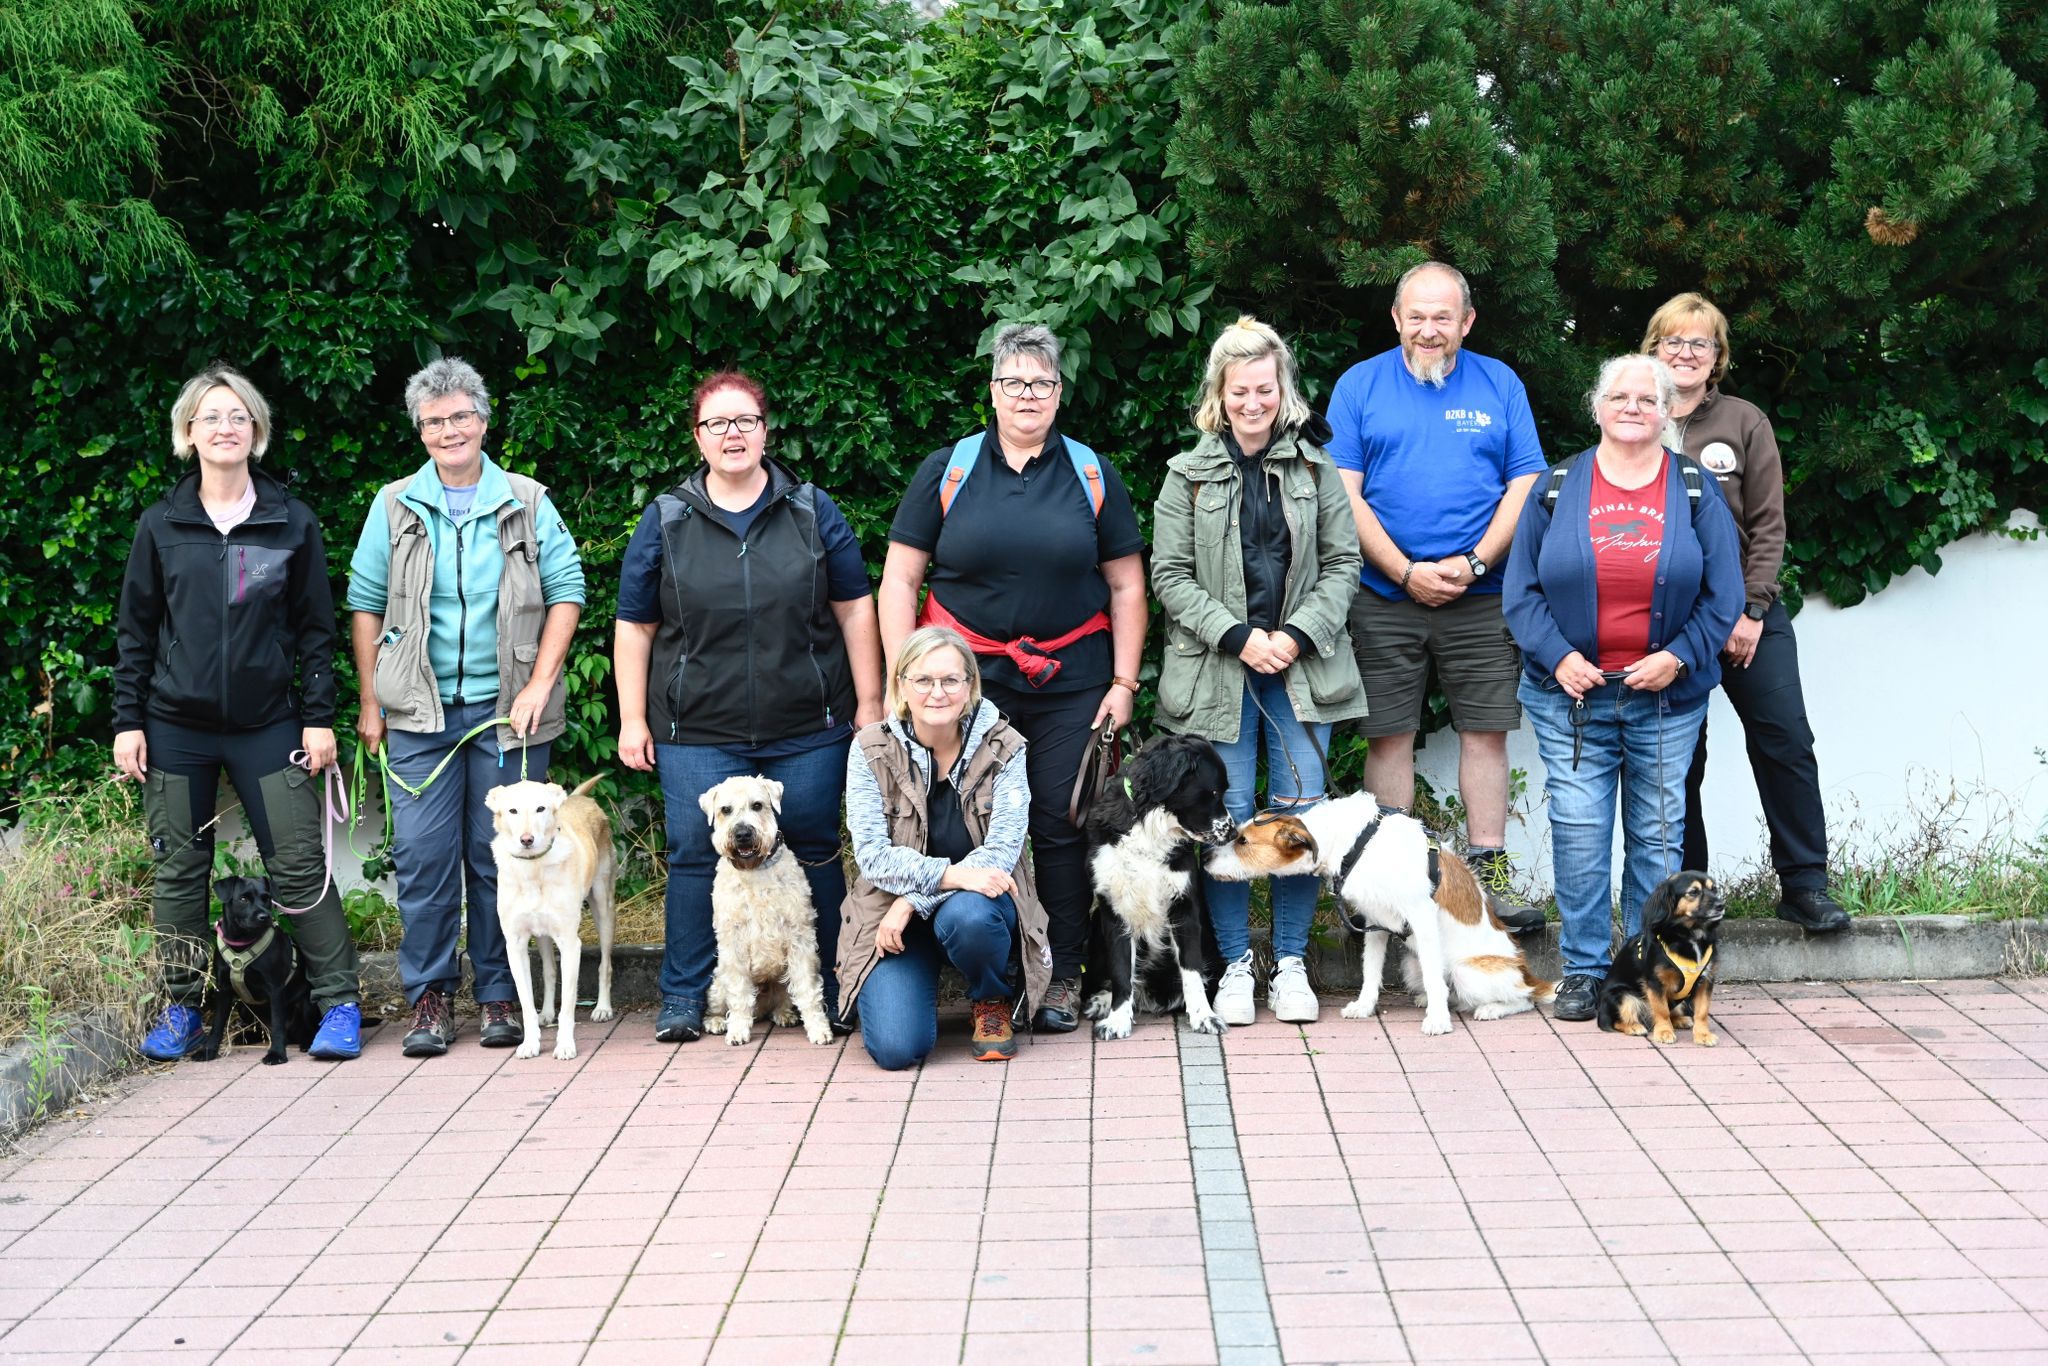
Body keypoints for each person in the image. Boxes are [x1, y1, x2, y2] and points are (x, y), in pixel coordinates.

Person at [878, 325, 1147, 1033]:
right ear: (992, 393)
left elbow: (1126, 586)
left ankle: (1060, 975)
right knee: (961, 822)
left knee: (1061, 827)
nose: (1028, 395)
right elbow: (901, 579)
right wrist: (900, 679)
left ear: (1060, 393)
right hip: (962, 684)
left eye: (1041, 383)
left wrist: (1123, 682)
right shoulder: (949, 468)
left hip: (1073, 681)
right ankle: (980, 975)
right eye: (1013, 383)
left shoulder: (1093, 473)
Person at [614, 370, 885, 1044]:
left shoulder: (812, 508)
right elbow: (634, 625)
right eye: (717, 424)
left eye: (745, 422)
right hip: (696, 729)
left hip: (810, 726)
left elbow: (855, 608)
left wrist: (872, 700)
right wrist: (631, 717)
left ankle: (835, 988)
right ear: (697, 437)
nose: (732, 435)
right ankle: (683, 997)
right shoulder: (666, 519)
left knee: (818, 850)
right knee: (691, 856)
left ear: (766, 430)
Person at [116, 366, 363, 1062]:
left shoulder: (291, 522)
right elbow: (135, 631)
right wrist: (127, 721)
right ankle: (183, 1008)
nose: (225, 428)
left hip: (268, 726)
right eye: (209, 417)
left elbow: (317, 629)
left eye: (238, 417)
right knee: (178, 872)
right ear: (187, 433)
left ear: (256, 432)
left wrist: (319, 717)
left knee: (297, 867)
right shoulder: (161, 525)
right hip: (175, 727)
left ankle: (340, 1002)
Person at [347, 357, 585, 1057]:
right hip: (416, 712)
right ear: (420, 431)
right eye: (433, 421)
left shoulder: (528, 499)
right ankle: (427, 998)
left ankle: (499, 997)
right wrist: (370, 699)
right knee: (422, 859)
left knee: (506, 859)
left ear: (483, 420)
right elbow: (364, 602)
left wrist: (540, 684)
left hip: (508, 712)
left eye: (460, 416)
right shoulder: (393, 503)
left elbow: (567, 591)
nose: (448, 430)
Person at [1503, 354, 1745, 1021]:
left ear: (1669, 410)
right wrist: (1557, 657)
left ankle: (1647, 971)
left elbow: (1725, 594)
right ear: (1597, 405)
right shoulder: (1556, 486)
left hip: (1665, 699)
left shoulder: (1695, 488)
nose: (1633, 406)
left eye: (1648, 397)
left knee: (1657, 836)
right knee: (1579, 833)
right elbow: (1519, 592)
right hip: (1570, 701)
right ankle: (1583, 969)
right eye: (1619, 395)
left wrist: (1679, 657)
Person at [1151, 318, 1367, 1025]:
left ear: (1283, 390)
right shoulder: (1185, 476)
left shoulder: (1316, 470)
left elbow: (1343, 563)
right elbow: (1170, 576)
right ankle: (1239, 964)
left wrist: (1298, 635)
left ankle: (1294, 964)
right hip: (1220, 673)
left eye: (1264, 389)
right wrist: (1240, 637)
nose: (1253, 402)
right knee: (1228, 819)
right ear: (1220, 393)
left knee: (1300, 817)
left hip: (1303, 671)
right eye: (1239, 390)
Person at [1325, 262, 1547, 928]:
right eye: (1416, 316)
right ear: (1396, 318)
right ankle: (1386, 883)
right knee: (1390, 737)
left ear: (1466, 322)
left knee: (1486, 733)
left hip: (1481, 595)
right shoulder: (1359, 385)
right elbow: (1344, 493)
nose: (1429, 329)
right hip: (1383, 595)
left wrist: (1476, 563)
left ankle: (1487, 880)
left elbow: (1525, 484)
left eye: (1442, 317)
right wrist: (1403, 571)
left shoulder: (1499, 383)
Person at [1642, 294, 1848, 933]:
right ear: (1652, 349)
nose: (1685, 353)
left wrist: (1751, 609)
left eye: (1699, 344)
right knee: (1679, 760)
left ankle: (1805, 885)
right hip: (1671, 623)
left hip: (1749, 617)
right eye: (1673, 342)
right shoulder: (1633, 417)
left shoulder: (1743, 421)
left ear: (1717, 357)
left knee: (1785, 740)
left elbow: (1767, 524)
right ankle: (1692, 900)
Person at [837, 627, 1050, 1068]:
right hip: (889, 916)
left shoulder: (1005, 748)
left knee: (971, 913)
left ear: (970, 686)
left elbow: (1000, 855)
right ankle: (912, 981)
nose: (938, 692)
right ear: (901, 686)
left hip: (971, 908)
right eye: (923, 680)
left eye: (951, 680)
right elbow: (873, 857)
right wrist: (948, 878)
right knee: (896, 1049)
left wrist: (914, 900)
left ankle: (990, 998)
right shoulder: (870, 748)